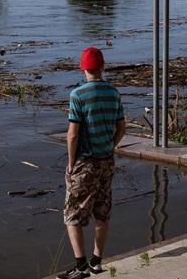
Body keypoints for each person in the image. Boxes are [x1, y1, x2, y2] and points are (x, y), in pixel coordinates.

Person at [57, 47, 126, 279]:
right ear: (102, 67)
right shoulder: (114, 93)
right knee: (102, 211)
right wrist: (111, 145)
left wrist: (70, 162)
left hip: (85, 162)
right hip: (107, 161)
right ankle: (97, 262)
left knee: (72, 214)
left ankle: (81, 266)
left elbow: (73, 134)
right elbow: (122, 126)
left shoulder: (78, 95)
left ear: (83, 67)